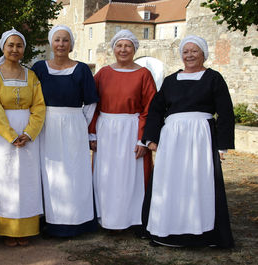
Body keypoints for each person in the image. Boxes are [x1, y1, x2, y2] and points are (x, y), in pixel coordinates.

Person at [142, 35, 235, 248]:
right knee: (170, 182)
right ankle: (167, 232)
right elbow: (156, 110)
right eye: (186, 51)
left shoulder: (214, 78)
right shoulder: (170, 81)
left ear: (203, 54)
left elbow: (226, 113)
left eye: (194, 51)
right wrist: (151, 138)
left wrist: (222, 145)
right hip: (172, 138)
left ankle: (201, 234)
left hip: (201, 137)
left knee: (198, 181)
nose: (189, 55)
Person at [31, 25, 99, 237]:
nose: (61, 44)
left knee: (74, 172)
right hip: (45, 124)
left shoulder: (82, 69)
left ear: (71, 44)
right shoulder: (39, 68)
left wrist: (78, 124)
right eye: (57, 40)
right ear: (51, 42)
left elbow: (90, 103)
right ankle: (49, 221)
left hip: (73, 125)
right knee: (49, 172)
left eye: (65, 40)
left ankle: (76, 221)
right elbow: (30, 98)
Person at [88, 30, 156, 231]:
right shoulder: (103, 73)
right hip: (106, 130)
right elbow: (93, 106)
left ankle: (134, 219)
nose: (123, 49)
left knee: (131, 175)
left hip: (132, 130)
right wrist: (92, 133)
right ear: (113, 49)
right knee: (106, 174)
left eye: (127, 46)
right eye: (119, 45)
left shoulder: (144, 74)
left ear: (134, 49)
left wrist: (143, 138)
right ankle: (106, 217)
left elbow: (150, 108)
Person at [0, 29, 46, 247]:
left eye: (19, 45)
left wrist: (29, 133)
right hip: (3, 134)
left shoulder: (31, 75)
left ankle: (26, 227)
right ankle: (7, 228)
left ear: (24, 49)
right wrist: (10, 135)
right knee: (5, 178)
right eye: (11, 45)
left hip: (29, 133)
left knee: (27, 179)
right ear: (3, 47)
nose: (15, 49)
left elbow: (39, 106)